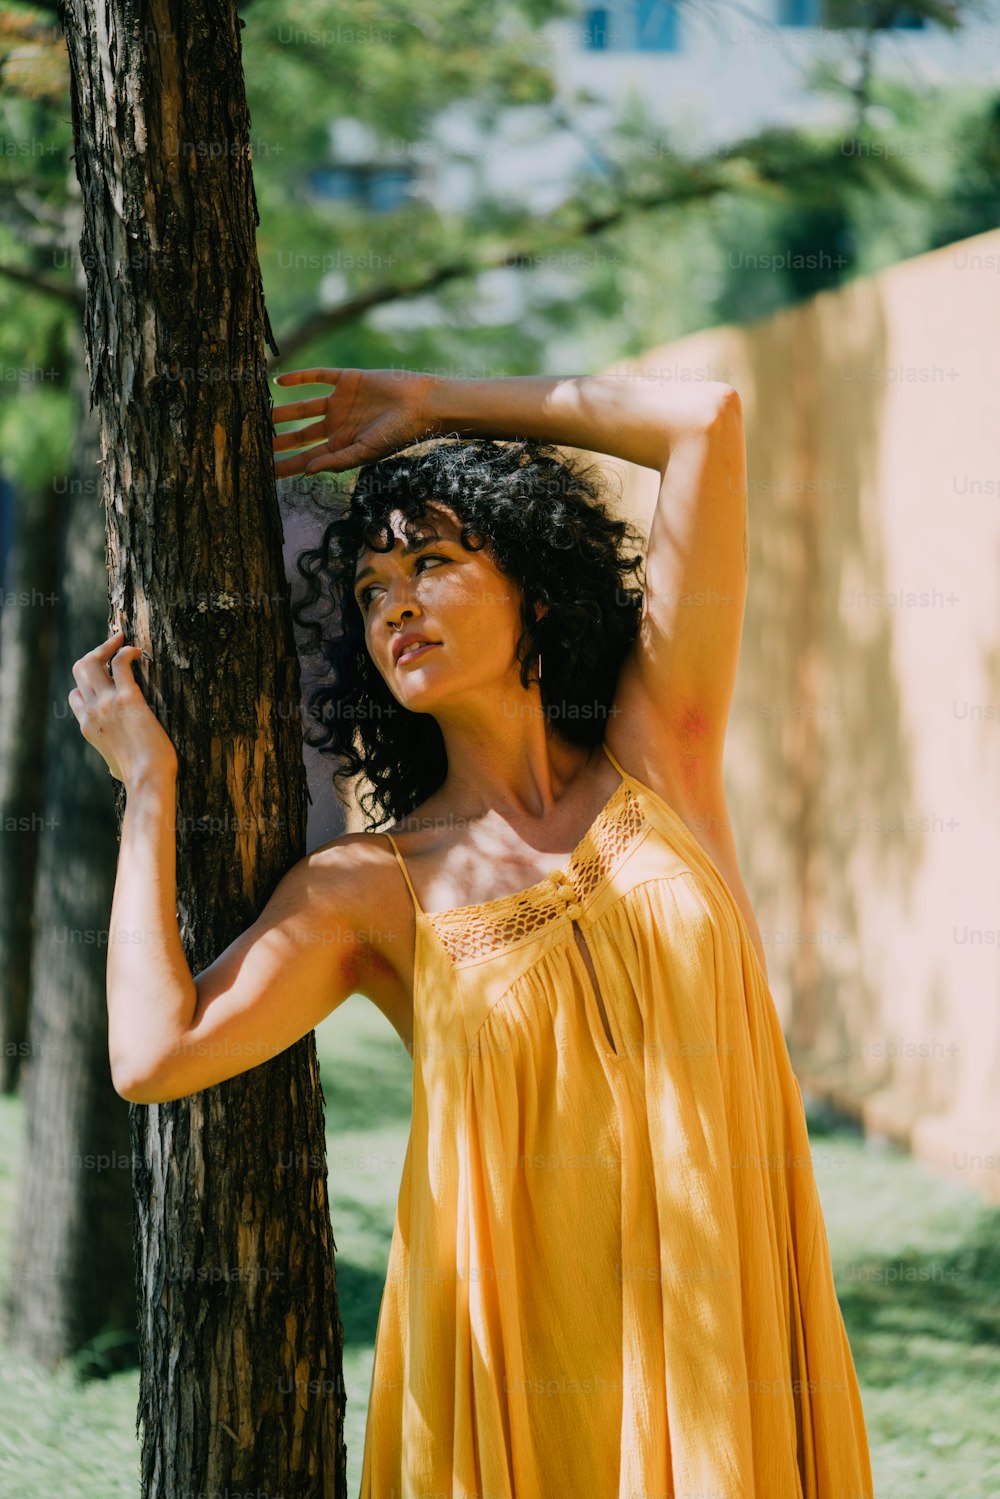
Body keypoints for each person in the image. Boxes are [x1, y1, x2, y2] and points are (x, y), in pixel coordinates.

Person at [68, 367, 874, 1498]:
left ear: (535, 589)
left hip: (719, 1333)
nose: (394, 602)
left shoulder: (659, 756)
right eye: (368, 590)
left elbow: (703, 419)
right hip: (521, 1369)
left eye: (432, 563)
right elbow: (155, 1055)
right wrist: (150, 785)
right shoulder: (369, 887)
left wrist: (437, 406)